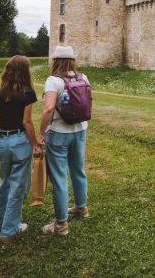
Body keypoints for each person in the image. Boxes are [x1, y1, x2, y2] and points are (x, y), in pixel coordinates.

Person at [0, 56, 42, 242]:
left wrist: (1, 135)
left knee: (4, 182)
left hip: (3, 140)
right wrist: (35, 144)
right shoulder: (27, 92)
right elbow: (27, 122)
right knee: (17, 186)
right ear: (26, 71)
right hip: (20, 142)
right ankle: (9, 230)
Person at [40, 46, 90, 235]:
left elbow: (48, 109)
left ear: (55, 61)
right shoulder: (83, 78)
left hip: (59, 132)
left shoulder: (53, 81)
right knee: (78, 170)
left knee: (59, 177)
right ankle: (81, 207)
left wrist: (41, 133)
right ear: (72, 61)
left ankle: (61, 224)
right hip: (80, 130)